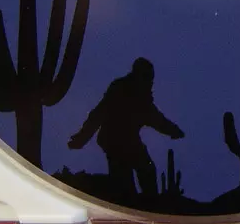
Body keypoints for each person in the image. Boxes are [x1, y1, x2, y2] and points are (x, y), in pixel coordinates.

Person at [68, 58, 184, 197]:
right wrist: (81, 138)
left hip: (130, 142)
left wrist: (174, 131)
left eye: (150, 78)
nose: (150, 82)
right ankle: (129, 199)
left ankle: (149, 202)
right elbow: (98, 114)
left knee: (147, 170)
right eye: (147, 77)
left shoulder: (143, 98)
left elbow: (157, 119)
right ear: (138, 74)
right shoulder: (119, 90)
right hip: (113, 141)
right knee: (124, 182)